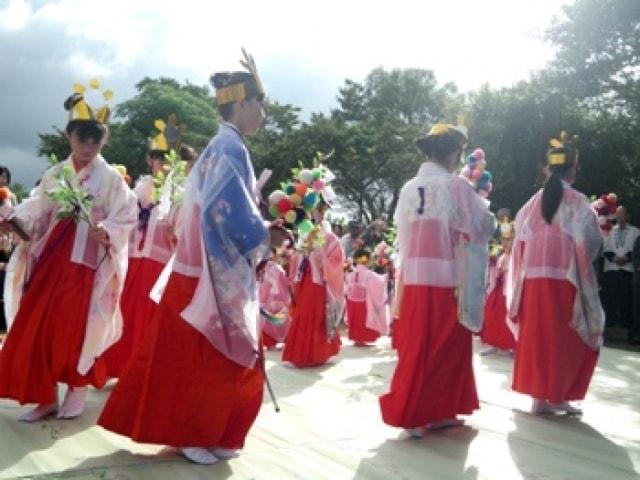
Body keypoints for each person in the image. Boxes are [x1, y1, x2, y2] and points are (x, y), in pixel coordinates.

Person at [98, 50, 271, 465]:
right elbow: (226, 209)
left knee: (196, 356)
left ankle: (210, 430)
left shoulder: (223, 146)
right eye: (260, 103)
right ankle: (194, 430)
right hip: (209, 274)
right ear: (242, 104)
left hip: (198, 268)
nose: (264, 112)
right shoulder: (229, 148)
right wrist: (264, 233)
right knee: (206, 357)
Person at [0, 80, 137, 421]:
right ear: (69, 137)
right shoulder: (56, 173)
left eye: (95, 139)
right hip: (53, 258)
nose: (88, 146)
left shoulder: (110, 179)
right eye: (81, 138)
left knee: (78, 326)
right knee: (39, 325)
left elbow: (127, 213)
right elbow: (37, 208)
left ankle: (77, 387)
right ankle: (43, 395)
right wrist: (14, 220)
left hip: (86, 262)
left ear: (103, 140)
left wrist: (104, 230)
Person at [379, 123, 495, 436]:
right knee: (448, 345)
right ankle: (432, 410)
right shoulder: (455, 186)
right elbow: (483, 225)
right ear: (453, 153)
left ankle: (419, 410)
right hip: (447, 277)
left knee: (418, 345)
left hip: (414, 277)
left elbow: (402, 236)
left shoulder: (408, 188)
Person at [506, 132, 604, 415]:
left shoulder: (532, 203)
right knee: (564, 337)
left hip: (533, 280)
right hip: (565, 279)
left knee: (538, 336)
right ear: (572, 168)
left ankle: (540, 397)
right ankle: (557, 395)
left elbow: (520, 240)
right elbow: (590, 242)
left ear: (548, 168)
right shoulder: (576, 200)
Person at [102, 117, 185, 377]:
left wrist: (176, 233)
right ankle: (120, 367)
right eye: (158, 158)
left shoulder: (181, 195)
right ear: (150, 161)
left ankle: (141, 373)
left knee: (149, 320)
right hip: (133, 260)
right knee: (125, 314)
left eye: (167, 159)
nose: (162, 164)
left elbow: (185, 236)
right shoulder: (135, 191)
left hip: (159, 266)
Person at [282, 196, 345, 367]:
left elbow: (337, 261)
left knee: (313, 316)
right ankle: (302, 353)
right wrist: (295, 255)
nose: (318, 214)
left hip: (318, 282)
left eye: (321, 210)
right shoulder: (306, 234)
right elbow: (297, 257)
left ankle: (314, 354)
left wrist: (319, 257)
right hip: (305, 280)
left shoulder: (332, 238)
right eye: (315, 210)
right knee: (303, 314)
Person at [479, 216, 516, 355]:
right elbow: (495, 275)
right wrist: (493, 266)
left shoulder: (517, 257)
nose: (505, 243)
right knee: (491, 314)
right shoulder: (501, 256)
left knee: (509, 317)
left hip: (510, 291)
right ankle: (493, 343)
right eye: (504, 240)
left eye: (509, 240)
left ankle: (511, 345)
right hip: (498, 290)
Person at [601, 206, 639, 332]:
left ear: (627, 215)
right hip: (611, 268)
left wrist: (626, 258)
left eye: (622, 213)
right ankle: (609, 322)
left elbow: (636, 249)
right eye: (617, 213)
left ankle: (625, 323)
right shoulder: (609, 230)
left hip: (627, 269)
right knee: (610, 296)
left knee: (626, 298)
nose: (619, 215)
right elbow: (605, 248)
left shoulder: (636, 231)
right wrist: (615, 258)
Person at [345, 247, 389, 346]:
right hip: (363, 301)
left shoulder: (353, 271)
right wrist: (385, 277)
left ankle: (357, 339)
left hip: (351, 300)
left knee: (355, 320)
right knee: (362, 320)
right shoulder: (367, 273)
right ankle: (361, 338)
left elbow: (347, 284)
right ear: (366, 259)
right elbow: (379, 281)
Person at [0, 166, 16, 337]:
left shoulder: (11, 196)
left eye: (4, 176)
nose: (2, 179)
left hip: (6, 242)